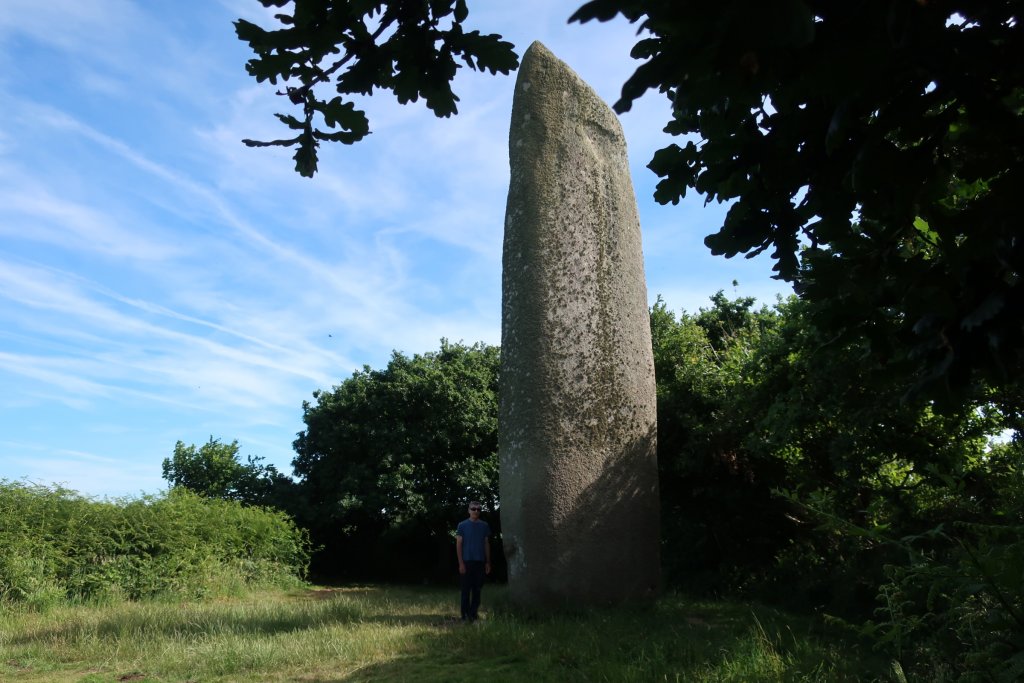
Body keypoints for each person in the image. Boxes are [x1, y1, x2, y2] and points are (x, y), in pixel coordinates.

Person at [455, 500, 491, 622]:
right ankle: (464, 615)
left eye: (478, 509)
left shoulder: (484, 526)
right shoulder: (462, 525)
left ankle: (473, 614)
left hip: (480, 562)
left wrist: (487, 562)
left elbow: (486, 544)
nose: (476, 511)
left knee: (477, 590)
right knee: (465, 590)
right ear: (469, 510)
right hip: (466, 562)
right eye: (473, 509)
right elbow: (459, 544)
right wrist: (461, 563)